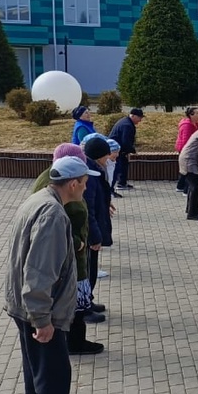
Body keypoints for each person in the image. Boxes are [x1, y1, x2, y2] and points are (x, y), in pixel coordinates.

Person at [4, 156, 99, 394]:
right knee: (54, 380)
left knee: (38, 377)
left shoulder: (39, 199)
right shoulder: (54, 215)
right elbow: (39, 271)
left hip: (25, 307)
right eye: (84, 182)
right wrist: (42, 320)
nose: (86, 187)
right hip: (39, 312)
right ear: (72, 184)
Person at [31, 144, 104, 355]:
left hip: (73, 255)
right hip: (71, 257)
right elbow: (58, 226)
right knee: (72, 304)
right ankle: (75, 343)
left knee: (75, 301)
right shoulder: (55, 200)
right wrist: (78, 242)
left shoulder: (54, 183)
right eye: (83, 181)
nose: (85, 187)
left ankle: (73, 340)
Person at [82, 135, 114, 321]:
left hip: (93, 230)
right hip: (89, 235)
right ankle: (84, 307)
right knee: (87, 270)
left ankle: (88, 299)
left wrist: (106, 204)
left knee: (91, 268)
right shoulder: (91, 175)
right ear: (99, 156)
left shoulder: (94, 170)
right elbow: (88, 209)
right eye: (106, 155)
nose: (108, 158)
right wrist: (95, 237)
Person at [108, 108, 143, 190]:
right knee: (119, 166)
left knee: (123, 165)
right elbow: (125, 141)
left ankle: (122, 182)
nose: (140, 120)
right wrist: (132, 150)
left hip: (119, 149)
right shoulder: (127, 125)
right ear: (133, 116)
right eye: (139, 117)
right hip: (116, 149)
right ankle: (118, 185)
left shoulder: (126, 122)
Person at [175, 107, 198, 192]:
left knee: (184, 169)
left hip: (187, 149)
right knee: (188, 169)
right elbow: (186, 140)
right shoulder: (187, 125)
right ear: (191, 115)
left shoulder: (195, 124)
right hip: (186, 149)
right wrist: (187, 151)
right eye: (197, 113)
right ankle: (186, 189)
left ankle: (180, 186)